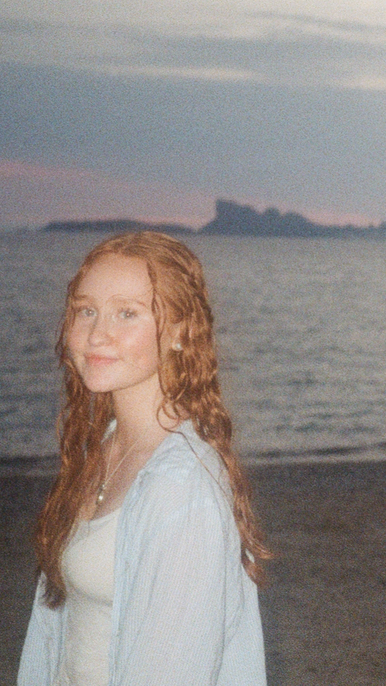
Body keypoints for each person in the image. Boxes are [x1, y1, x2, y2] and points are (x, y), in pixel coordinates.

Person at [18, 231, 269, 686]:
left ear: (179, 332)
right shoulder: (105, 446)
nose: (97, 334)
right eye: (86, 310)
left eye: (127, 313)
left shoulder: (181, 488)